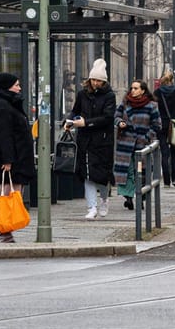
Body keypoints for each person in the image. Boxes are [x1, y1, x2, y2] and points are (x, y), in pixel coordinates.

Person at [0, 73, 34, 243]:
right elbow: (3, 136)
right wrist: (7, 160)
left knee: (14, 194)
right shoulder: (3, 108)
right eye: (16, 85)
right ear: (7, 87)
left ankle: (9, 228)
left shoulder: (9, 105)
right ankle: (5, 230)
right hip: (11, 161)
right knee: (7, 195)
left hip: (16, 158)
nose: (19, 88)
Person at [67, 58, 117, 219]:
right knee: (87, 174)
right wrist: (69, 121)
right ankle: (91, 207)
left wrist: (86, 123)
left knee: (101, 175)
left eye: (99, 80)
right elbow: (75, 111)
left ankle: (103, 200)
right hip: (85, 140)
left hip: (102, 141)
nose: (96, 83)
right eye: (94, 79)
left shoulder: (109, 96)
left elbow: (108, 118)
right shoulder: (82, 94)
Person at [114, 80, 162, 209]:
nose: (132, 91)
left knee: (141, 172)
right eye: (131, 88)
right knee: (127, 171)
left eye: (136, 88)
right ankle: (129, 197)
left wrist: (147, 136)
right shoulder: (125, 103)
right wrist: (120, 123)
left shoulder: (151, 106)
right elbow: (116, 116)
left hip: (142, 144)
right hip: (125, 142)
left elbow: (157, 125)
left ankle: (140, 197)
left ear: (143, 90)